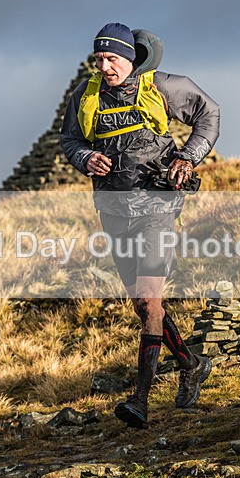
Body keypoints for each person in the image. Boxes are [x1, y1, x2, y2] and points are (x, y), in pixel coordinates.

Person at [60, 22, 221, 429]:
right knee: (140, 305)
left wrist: (188, 157)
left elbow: (209, 112)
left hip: (157, 204)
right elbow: (71, 141)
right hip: (113, 210)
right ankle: (191, 363)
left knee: (149, 301)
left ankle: (140, 402)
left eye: (111, 58)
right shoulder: (85, 96)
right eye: (99, 58)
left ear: (131, 58)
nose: (104, 65)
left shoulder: (163, 86)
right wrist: (85, 159)